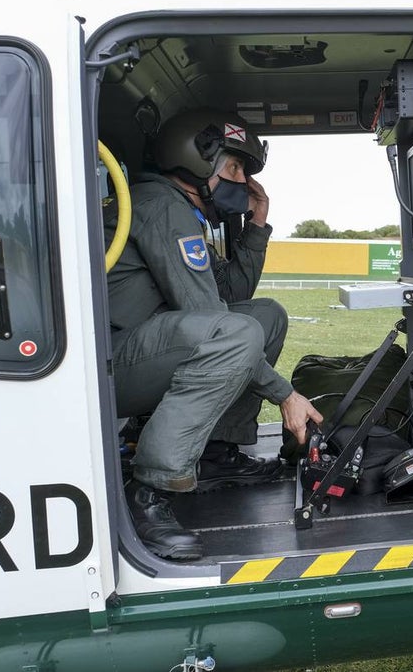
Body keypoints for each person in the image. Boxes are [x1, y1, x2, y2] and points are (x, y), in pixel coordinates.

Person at [105, 108, 323, 560]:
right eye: (235, 168)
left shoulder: (184, 209)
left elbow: (230, 295)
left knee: (266, 316)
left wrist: (257, 224)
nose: (243, 182)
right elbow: (212, 319)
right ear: (198, 161)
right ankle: (148, 490)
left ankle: (216, 453)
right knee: (238, 333)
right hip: (110, 364)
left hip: (140, 347)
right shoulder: (162, 206)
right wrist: (285, 394)